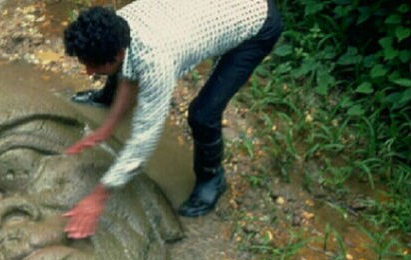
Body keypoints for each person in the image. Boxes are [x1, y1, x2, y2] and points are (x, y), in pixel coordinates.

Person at [62, 0, 284, 239]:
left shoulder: (156, 61)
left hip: (257, 25)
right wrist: (106, 129)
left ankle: (212, 178)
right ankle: (107, 98)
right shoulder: (119, 25)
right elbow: (128, 72)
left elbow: (144, 140)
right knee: (123, 71)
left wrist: (98, 197)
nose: (87, 72)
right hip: (217, 12)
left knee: (203, 114)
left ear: (117, 53)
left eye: (93, 66)